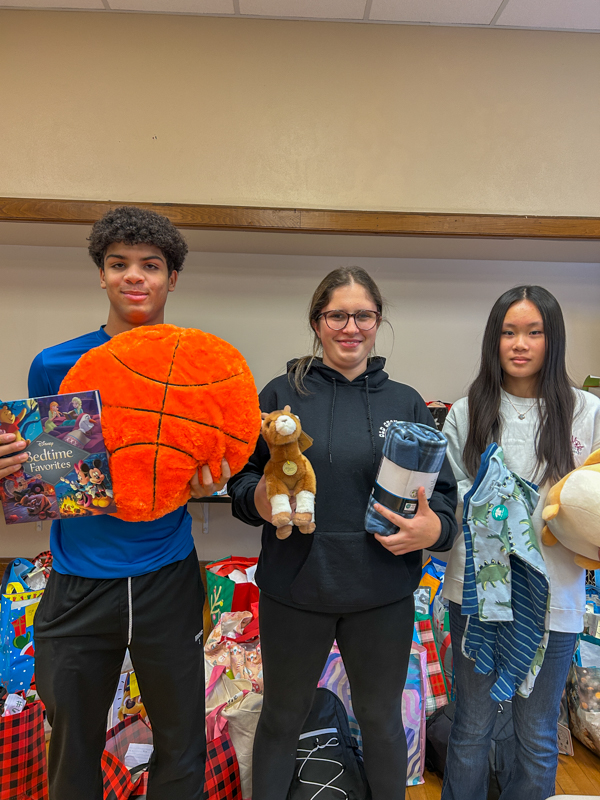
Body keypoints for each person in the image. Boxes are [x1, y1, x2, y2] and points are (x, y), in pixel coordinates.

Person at [228, 266, 458, 800]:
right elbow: (241, 480)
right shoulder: (282, 395)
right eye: (337, 315)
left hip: (382, 594)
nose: (350, 327)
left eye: (364, 315)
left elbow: (442, 500)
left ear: (378, 322)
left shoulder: (405, 402)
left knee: (380, 722)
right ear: (317, 321)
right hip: (295, 590)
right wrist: (257, 500)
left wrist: (432, 528)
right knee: (282, 720)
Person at [28, 206, 228, 800]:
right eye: (119, 265)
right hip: (78, 580)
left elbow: (214, 463)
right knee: (71, 747)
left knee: (181, 741)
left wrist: (210, 479)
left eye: (151, 266)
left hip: (167, 575)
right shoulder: (58, 364)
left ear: (172, 278)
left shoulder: (200, 367)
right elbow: (52, 477)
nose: (134, 278)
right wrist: (18, 467)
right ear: (101, 275)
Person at [440, 285, 600, 800]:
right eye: (508, 332)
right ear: (494, 340)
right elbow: (450, 494)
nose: (520, 343)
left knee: (537, 733)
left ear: (553, 339)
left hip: (556, 596)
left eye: (534, 332)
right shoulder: (467, 412)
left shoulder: (587, 412)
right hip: (478, 595)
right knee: (471, 728)